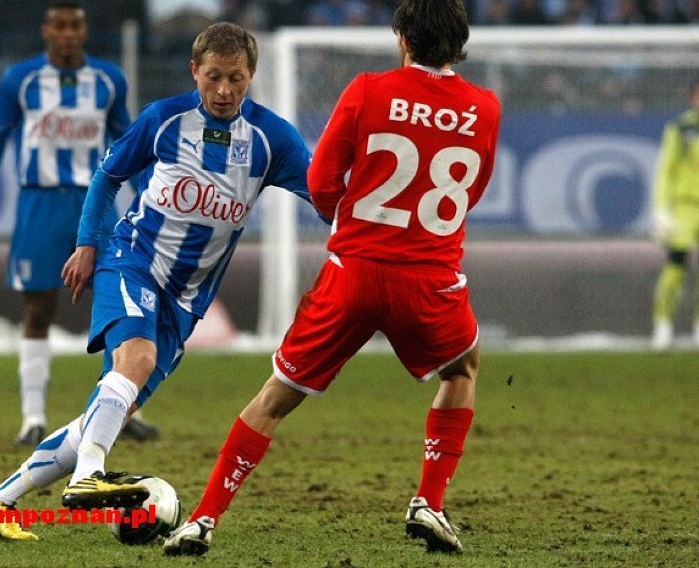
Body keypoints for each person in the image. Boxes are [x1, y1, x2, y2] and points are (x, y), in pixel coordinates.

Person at [163, 0, 501, 556]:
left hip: (354, 273)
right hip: (429, 278)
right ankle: (430, 503)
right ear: (460, 41)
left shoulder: (368, 89)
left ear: (402, 38)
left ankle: (203, 519)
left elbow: (321, 180)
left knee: (275, 397)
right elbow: (473, 189)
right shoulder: (485, 108)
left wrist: (349, 216)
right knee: (461, 369)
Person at [0, 21, 318, 541]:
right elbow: (109, 175)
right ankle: (89, 478)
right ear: (194, 71)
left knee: (106, 411)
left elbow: (326, 198)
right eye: (214, 77)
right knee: (136, 361)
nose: (224, 91)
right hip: (132, 261)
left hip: (186, 301)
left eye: (237, 79)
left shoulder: (274, 140)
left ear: (252, 77)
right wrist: (88, 243)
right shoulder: (163, 119)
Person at [0, 0, 159, 447]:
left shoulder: (108, 80)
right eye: (60, 26)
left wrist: (152, 193)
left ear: (84, 31)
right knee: (38, 309)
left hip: (97, 205)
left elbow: (129, 142)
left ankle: (126, 410)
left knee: (117, 307)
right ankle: (32, 417)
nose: (68, 34)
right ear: (46, 31)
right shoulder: (21, 79)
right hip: (40, 207)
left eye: (76, 26)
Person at [650, 77, 699, 350]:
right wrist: (661, 208)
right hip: (685, 207)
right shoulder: (681, 128)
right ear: (693, 97)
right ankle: (663, 323)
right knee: (676, 267)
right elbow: (665, 170)